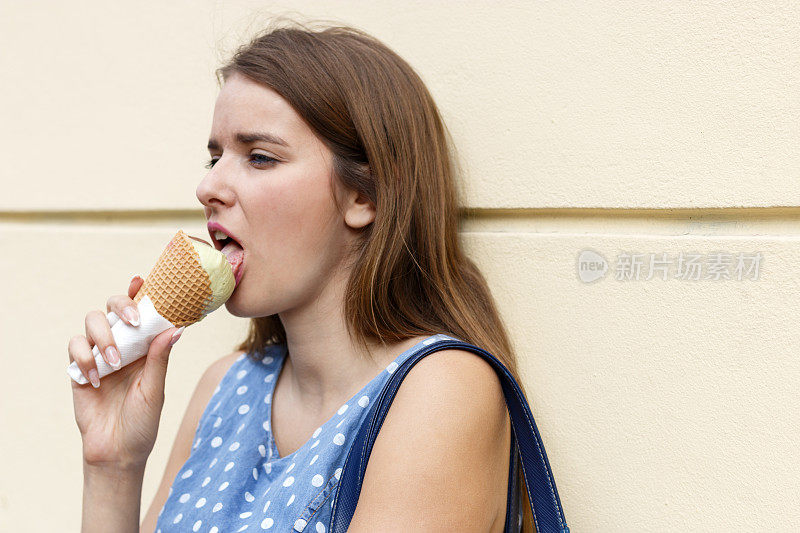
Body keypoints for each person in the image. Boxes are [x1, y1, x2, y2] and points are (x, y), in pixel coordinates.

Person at [68, 18, 534, 533]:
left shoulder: (441, 389)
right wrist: (112, 466)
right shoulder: (223, 386)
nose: (208, 186)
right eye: (215, 157)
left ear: (366, 196)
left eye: (260, 157)